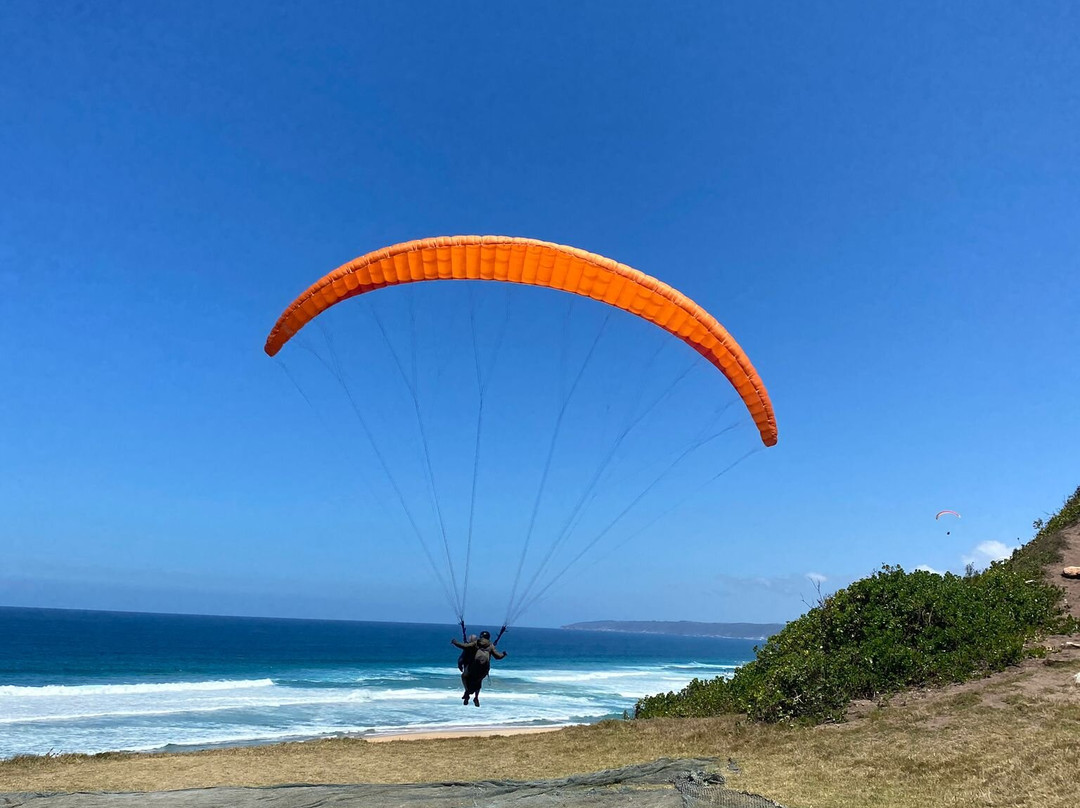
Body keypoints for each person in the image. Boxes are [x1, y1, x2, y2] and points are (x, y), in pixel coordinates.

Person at [451, 630, 506, 706]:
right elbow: (498, 656)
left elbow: (464, 647)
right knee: (478, 681)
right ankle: (476, 697)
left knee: (464, 676)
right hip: (484, 670)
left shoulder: (476, 643)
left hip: (472, 669)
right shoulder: (491, 646)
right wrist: (503, 654)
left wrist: (455, 642)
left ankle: (467, 692)